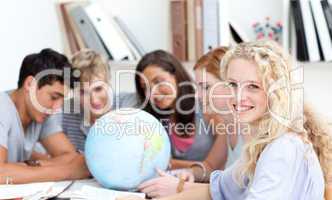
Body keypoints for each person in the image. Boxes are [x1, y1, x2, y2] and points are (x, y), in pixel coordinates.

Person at [119, 41, 332, 199]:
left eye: (253, 86)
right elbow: (219, 188)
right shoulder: (258, 145)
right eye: (232, 84)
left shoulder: (283, 147)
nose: (238, 96)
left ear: (277, 92)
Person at [138, 47, 253, 198]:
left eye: (206, 87)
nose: (198, 95)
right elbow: (210, 167)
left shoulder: (251, 131)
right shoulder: (230, 128)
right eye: (198, 86)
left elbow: (238, 192)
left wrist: (184, 189)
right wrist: (189, 173)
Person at [0, 48, 90, 184]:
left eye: (61, 100)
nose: (57, 107)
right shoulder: (2, 107)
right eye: (54, 97)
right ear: (30, 84)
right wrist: (66, 172)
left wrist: (29, 166)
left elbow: (71, 157)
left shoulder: (42, 112)